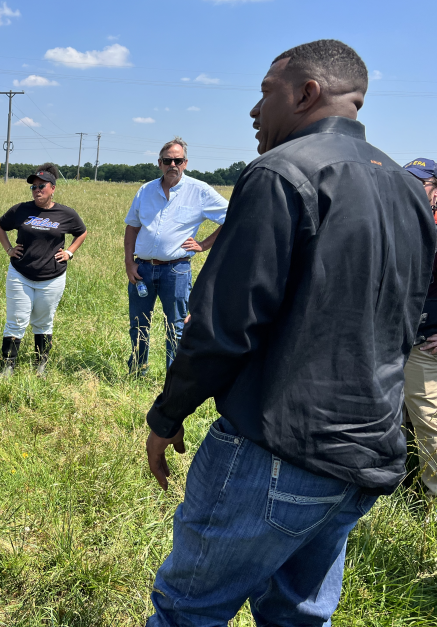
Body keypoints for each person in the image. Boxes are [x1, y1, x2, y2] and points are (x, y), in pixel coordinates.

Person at [143, 40, 436, 626]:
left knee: (187, 612)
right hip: (365, 455)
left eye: (265, 92)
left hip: (276, 450)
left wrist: (166, 415)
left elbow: (225, 327)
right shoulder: (407, 190)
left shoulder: (280, 173)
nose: (254, 111)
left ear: (307, 93)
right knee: (299, 617)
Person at [124, 137, 228, 376]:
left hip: (176, 270)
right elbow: (132, 226)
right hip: (142, 269)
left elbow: (232, 215)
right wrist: (129, 262)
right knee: (139, 324)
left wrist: (204, 244)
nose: (173, 164)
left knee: (176, 326)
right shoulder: (145, 190)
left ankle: (174, 377)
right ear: (159, 163)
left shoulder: (199, 191)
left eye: (178, 160)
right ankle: (138, 371)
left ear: (185, 162)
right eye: (168, 160)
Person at [0, 163, 87, 377]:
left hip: (52, 278)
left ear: (52, 188)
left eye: (41, 186)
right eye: (33, 187)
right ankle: (8, 365)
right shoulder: (20, 210)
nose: (37, 190)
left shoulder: (66, 213)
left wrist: (70, 252)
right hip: (20, 275)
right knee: (16, 320)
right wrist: (9, 248)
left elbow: (81, 232)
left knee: (43, 321)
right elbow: (0, 226)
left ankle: (41, 365)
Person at [402, 158, 437, 502]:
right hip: (394, 341)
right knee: (396, 422)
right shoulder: (401, 222)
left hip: (424, 345)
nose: (412, 188)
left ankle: (433, 505)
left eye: (421, 183)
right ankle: (397, 486)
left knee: (429, 426)